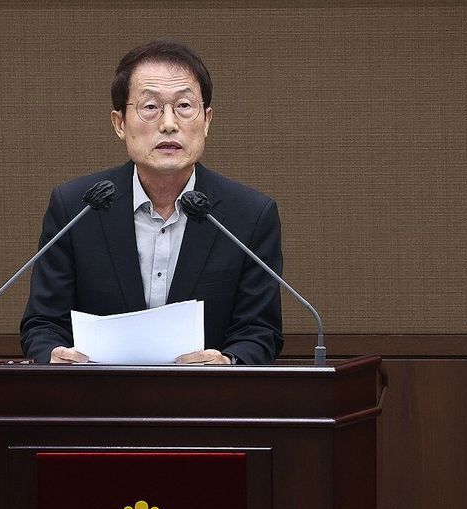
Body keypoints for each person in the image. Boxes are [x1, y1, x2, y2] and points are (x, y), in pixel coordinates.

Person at [20, 39, 284, 364]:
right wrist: (53, 356)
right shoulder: (76, 208)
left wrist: (229, 362)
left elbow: (261, 331)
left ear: (207, 120)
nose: (169, 123)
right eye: (150, 107)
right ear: (119, 123)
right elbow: (43, 323)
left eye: (185, 106)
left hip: (205, 406)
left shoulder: (250, 215)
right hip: (96, 404)